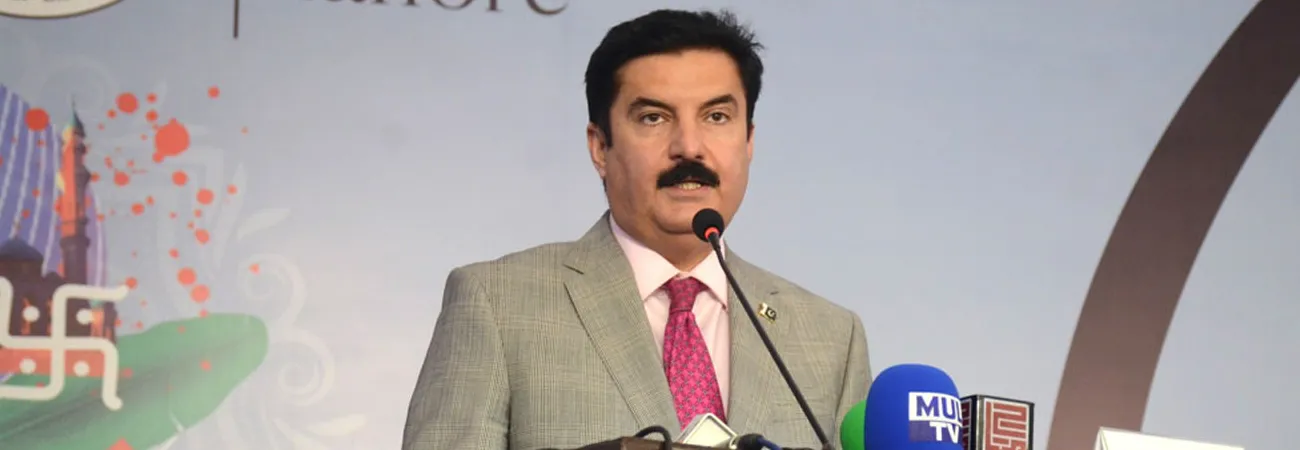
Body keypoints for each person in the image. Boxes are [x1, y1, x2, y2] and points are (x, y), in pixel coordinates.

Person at [401, 8, 871, 450]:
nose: (689, 147)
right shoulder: (498, 304)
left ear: (748, 141)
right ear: (600, 147)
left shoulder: (830, 337)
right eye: (653, 118)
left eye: (716, 117)